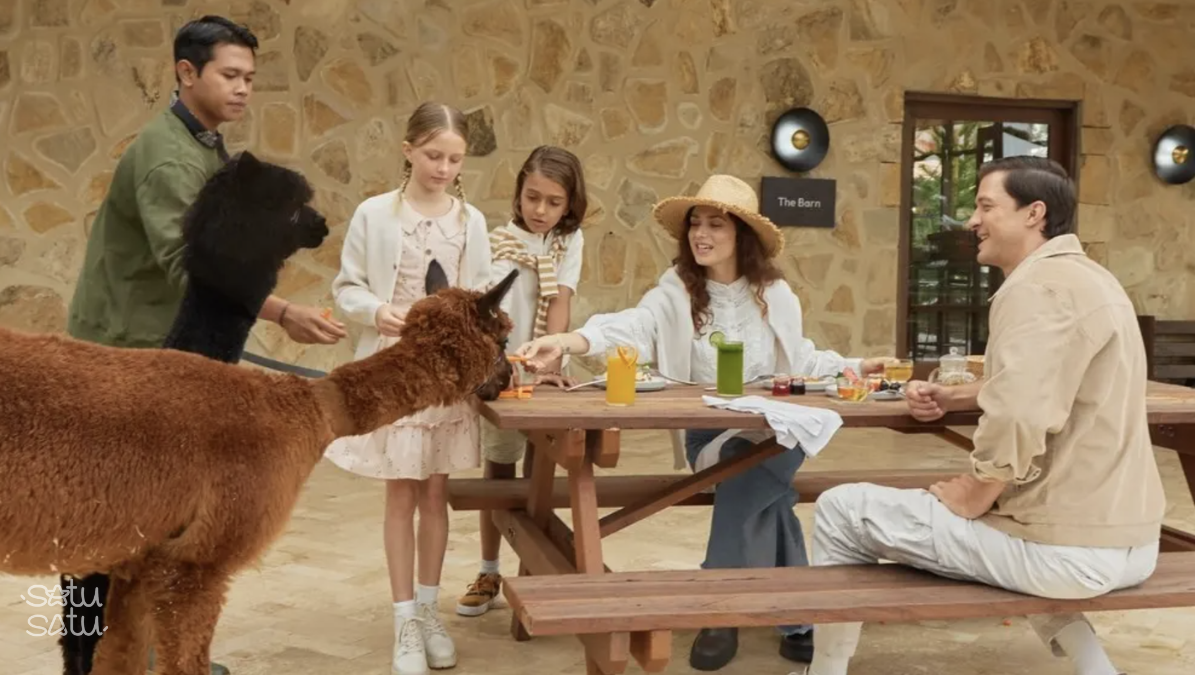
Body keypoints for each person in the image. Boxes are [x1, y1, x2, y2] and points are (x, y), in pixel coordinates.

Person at [60, 15, 345, 675]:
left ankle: (149, 654)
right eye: (230, 75)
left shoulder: (207, 145)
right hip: (125, 355)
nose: (243, 88)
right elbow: (185, 263)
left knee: (154, 520)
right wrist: (280, 312)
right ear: (186, 73)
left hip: (168, 357)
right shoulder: (165, 154)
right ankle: (85, 662)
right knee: (94, 531)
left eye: (249, 76)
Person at [803, 156, 1165, 675]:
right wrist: (961, 396)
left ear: (1033, 214)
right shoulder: (1095, 281)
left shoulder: (1034, 289)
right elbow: (1054, 383)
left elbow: (1019, 411)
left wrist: (980, 487)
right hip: (1132, 541)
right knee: (1003, 536)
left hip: (1069, 552)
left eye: (986, 205)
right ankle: (1095, 669)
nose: (972, 220)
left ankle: (824, 673)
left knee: (841, 509)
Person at [516, 174, 891, 671]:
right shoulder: (675, 291)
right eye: (696, 223)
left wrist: (854, 366)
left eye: (716, 224)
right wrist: (565, 342)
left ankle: (721, 609)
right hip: (709, 434)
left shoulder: (775, 294)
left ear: (742, 235)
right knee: (754, 478)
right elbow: (631, 326)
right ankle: (794, 617)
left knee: (763, 459)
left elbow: (800, 357)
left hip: (776, 428)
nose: (701, 233)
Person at [326, 101, 492, 675]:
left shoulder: (471, 222)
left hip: (447, 382)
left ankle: (429, 611)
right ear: (408, 150)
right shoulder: (374, 215)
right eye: (433, 156)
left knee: (435, 493)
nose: (444, 168)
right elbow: (346, 288)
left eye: (454, 159)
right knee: (400, 494)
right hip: (395, 373)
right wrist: (378, 311)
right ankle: (403, 622)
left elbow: (484, 299)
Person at [455, 145, 588, 618]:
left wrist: (550, 368)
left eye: (554, 202)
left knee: (545, 472)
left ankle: (534, 575)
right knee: (500, 467)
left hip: (547, 367)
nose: (541, 210)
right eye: (533, 197)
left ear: (569, 204)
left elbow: (560, 304)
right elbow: (486, 312)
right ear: (518, 192)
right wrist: (503, 365)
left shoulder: (568, 243)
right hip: (503, 371)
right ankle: (489, 568)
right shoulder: (494, 242)